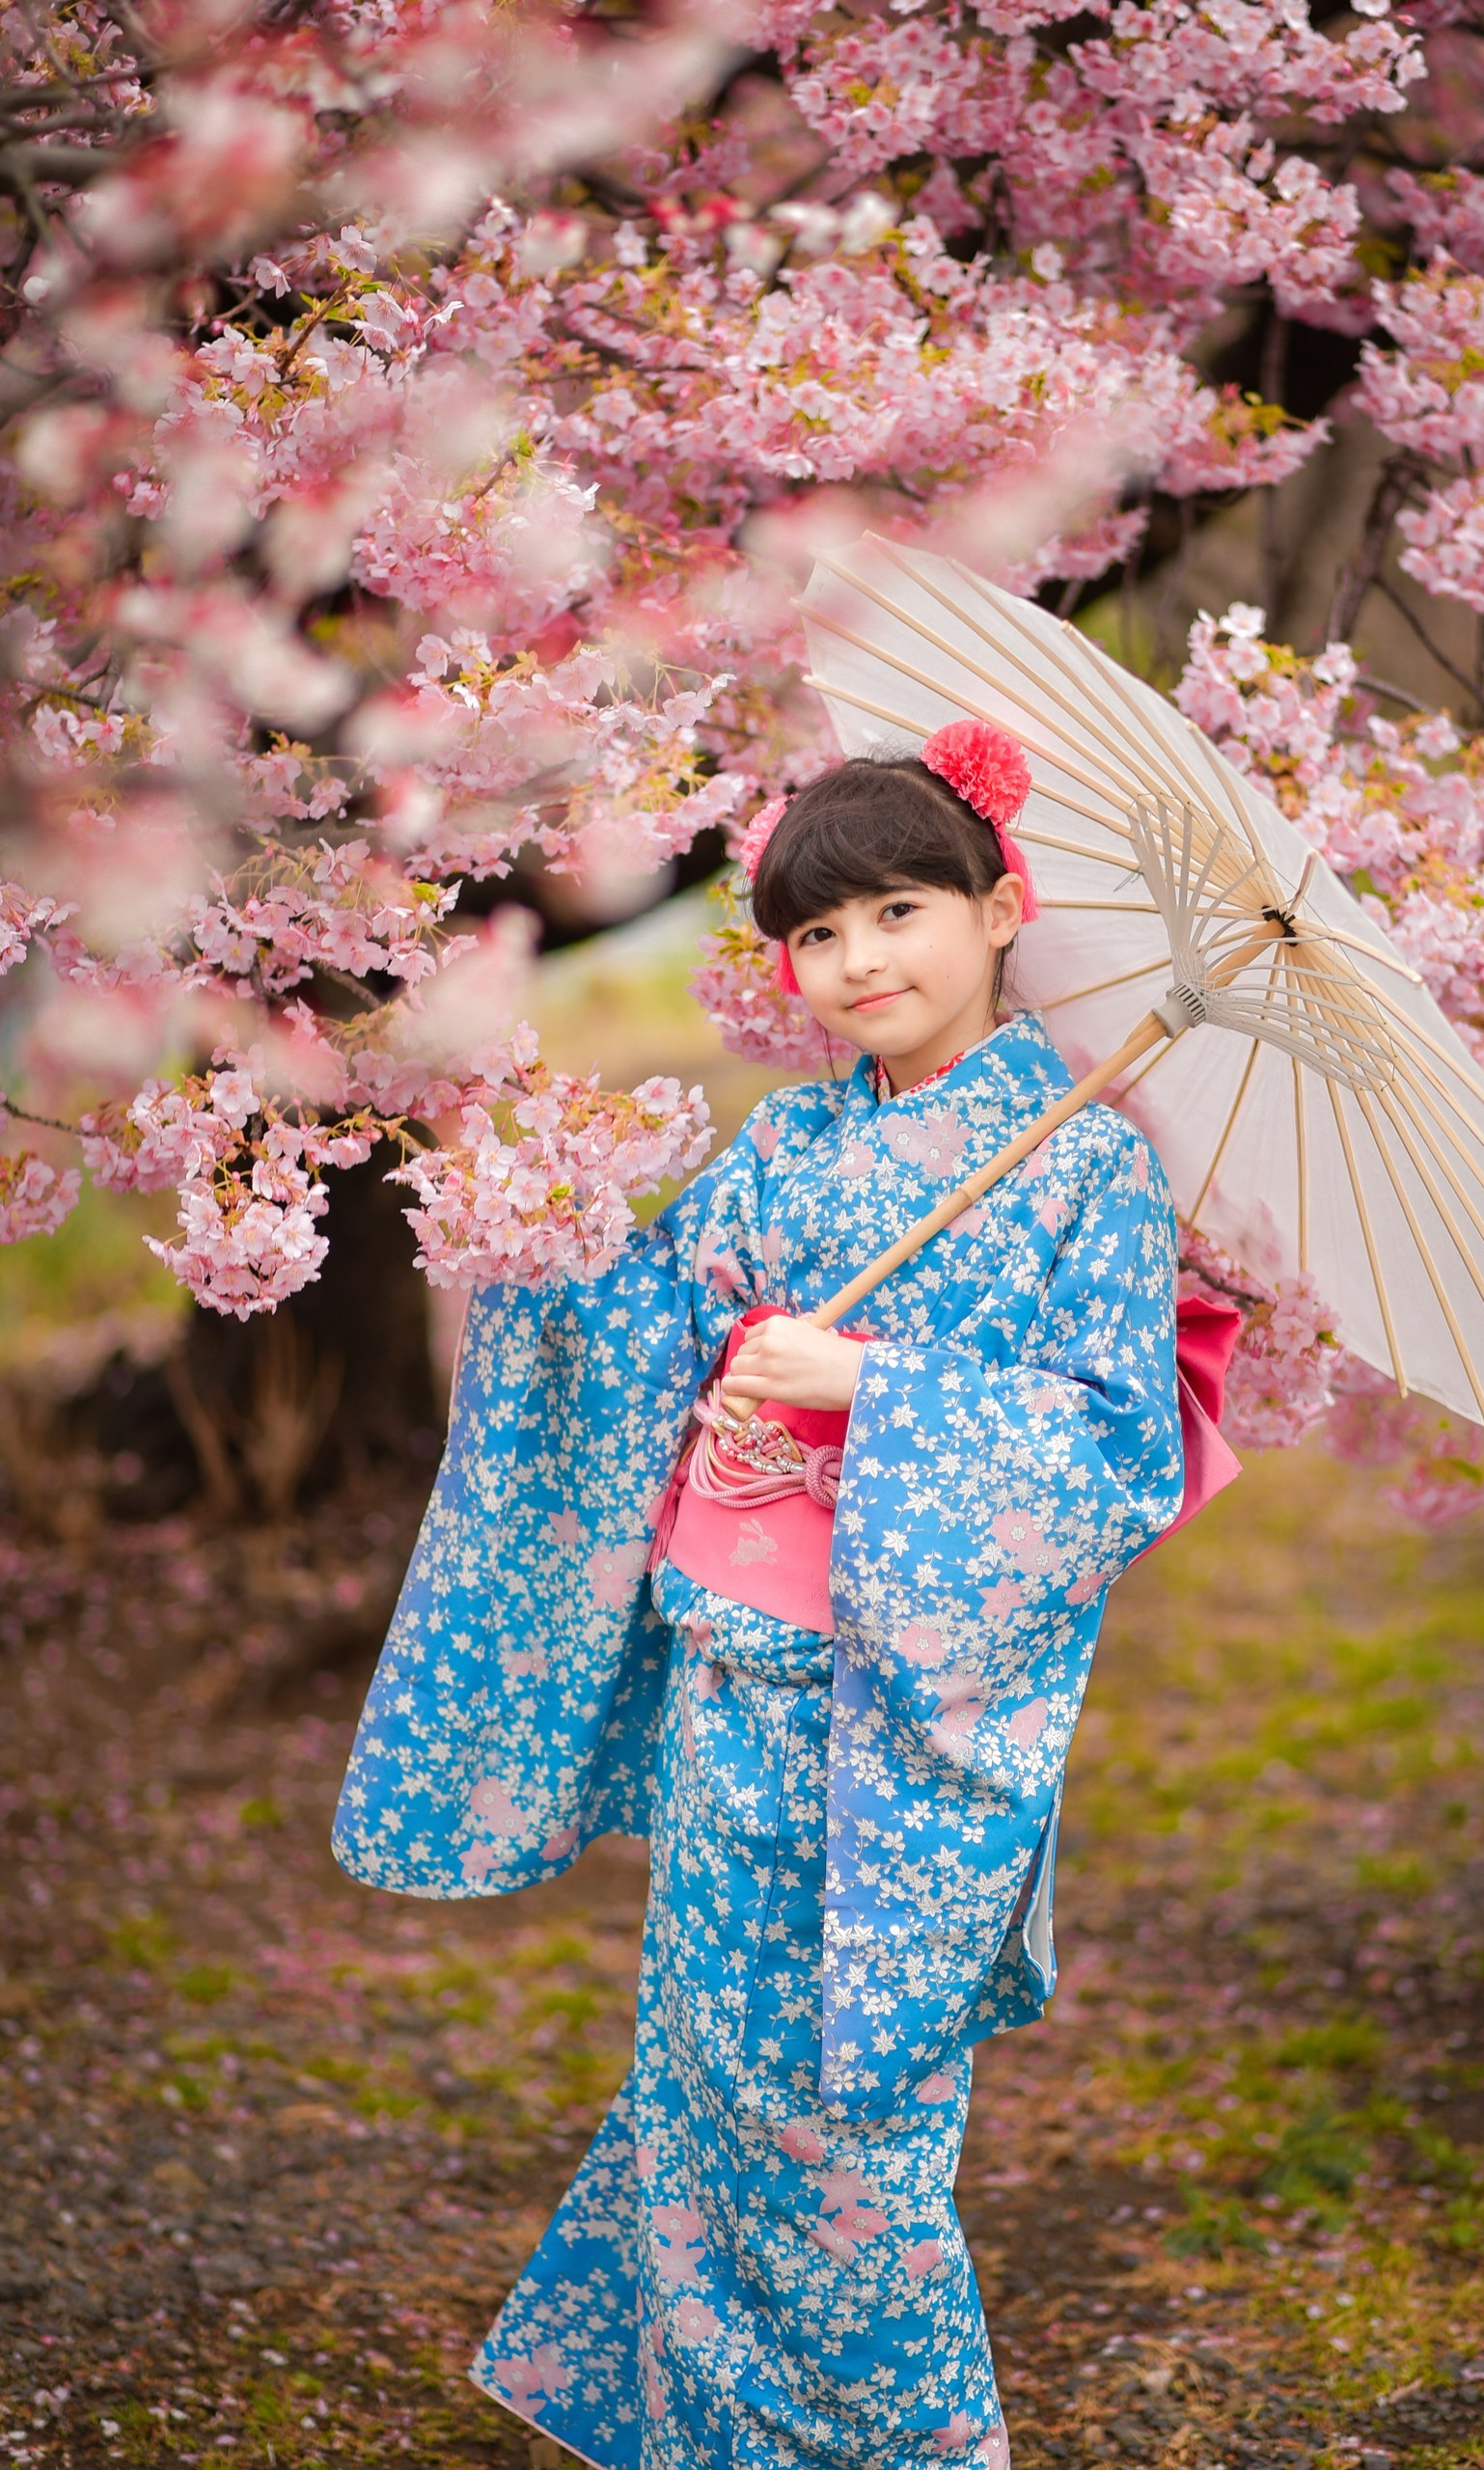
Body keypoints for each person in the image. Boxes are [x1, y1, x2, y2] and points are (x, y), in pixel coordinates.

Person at [332, 720, 1186, 2470]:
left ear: (999, 908)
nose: (855, 963)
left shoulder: (1083, 1164)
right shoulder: (789, 1145)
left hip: (897, 1731)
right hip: (736, 1688)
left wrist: (868, 1391)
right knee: (714, 2082)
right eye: (812, 935)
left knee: (846, 2120)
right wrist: (553, 1253)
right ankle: (724, 2434)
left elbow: (1117, 1461)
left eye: (894, 913)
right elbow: (645, 1311)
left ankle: (919, 2450)